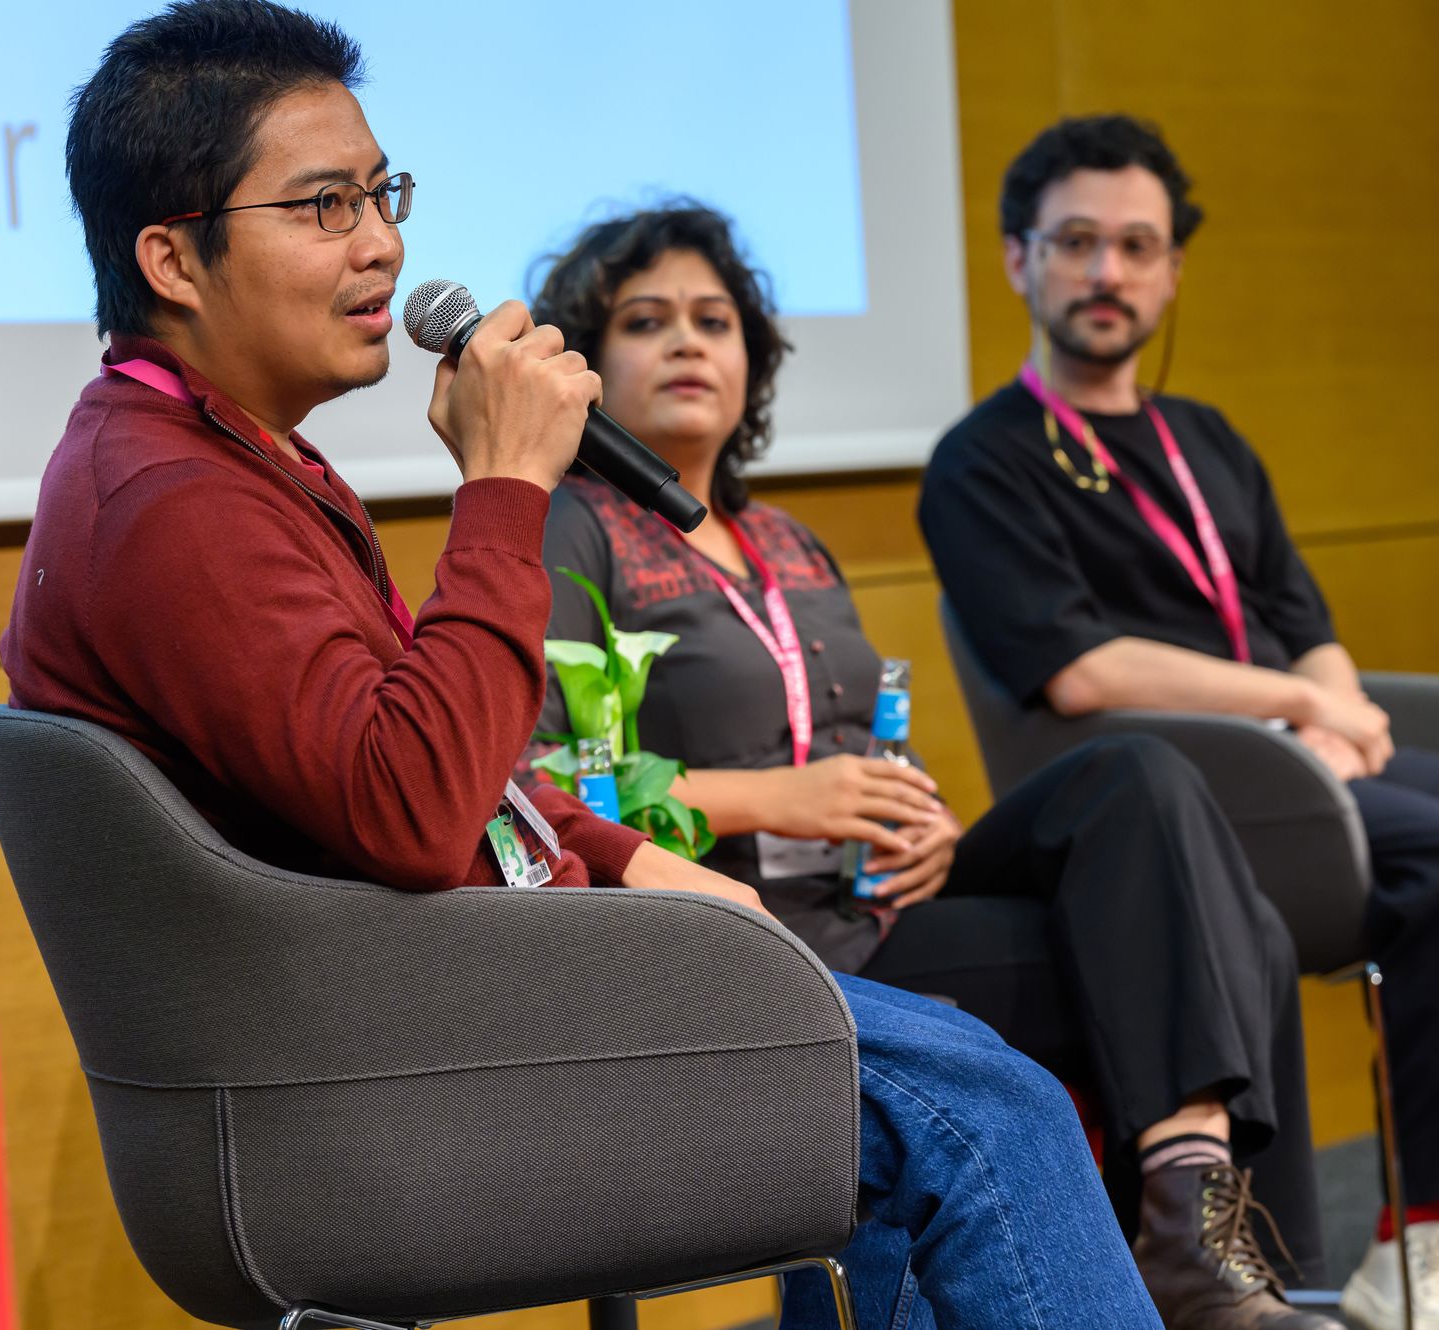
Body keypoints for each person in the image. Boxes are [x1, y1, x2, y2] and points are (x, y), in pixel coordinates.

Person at [0, 4, 1160, 1327]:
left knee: (955, 1066)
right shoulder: (168, 503)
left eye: (383, 194)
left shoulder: (232, 463)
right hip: (385, 1076)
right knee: (979, 1105)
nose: (384, 242)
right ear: (173, 258)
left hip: (465, 992)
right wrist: (502, 488)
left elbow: (447, 776)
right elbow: (415, 806)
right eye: (324, 206)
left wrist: (636, 865)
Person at [529, 201, 1346, 1329]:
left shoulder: (785, 540)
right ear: (588, 360)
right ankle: (1198, 1264)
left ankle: (1200, 1227)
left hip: (883, 904)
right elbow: (540, 784)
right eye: (645, 320)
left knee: (1138, 783)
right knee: (1218, 945)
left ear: (749, 360)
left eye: (712, 320)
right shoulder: (569, 524)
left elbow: (867, 740)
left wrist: (930, 822)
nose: (684, 342)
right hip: (744, 934)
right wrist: (773, 797)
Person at [918, 113, 1439, 1330]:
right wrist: (1298, 706)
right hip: (1187, 794)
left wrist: (1340, 705)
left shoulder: (1203, 439)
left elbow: (1297, 611)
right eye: (1077, 242)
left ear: (1170, 269)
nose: (1107, 273)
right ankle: (1410, 1248)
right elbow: (1077, 672)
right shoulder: (982, 459)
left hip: (1295, 760)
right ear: (1016, 259)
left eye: (1135, 246)